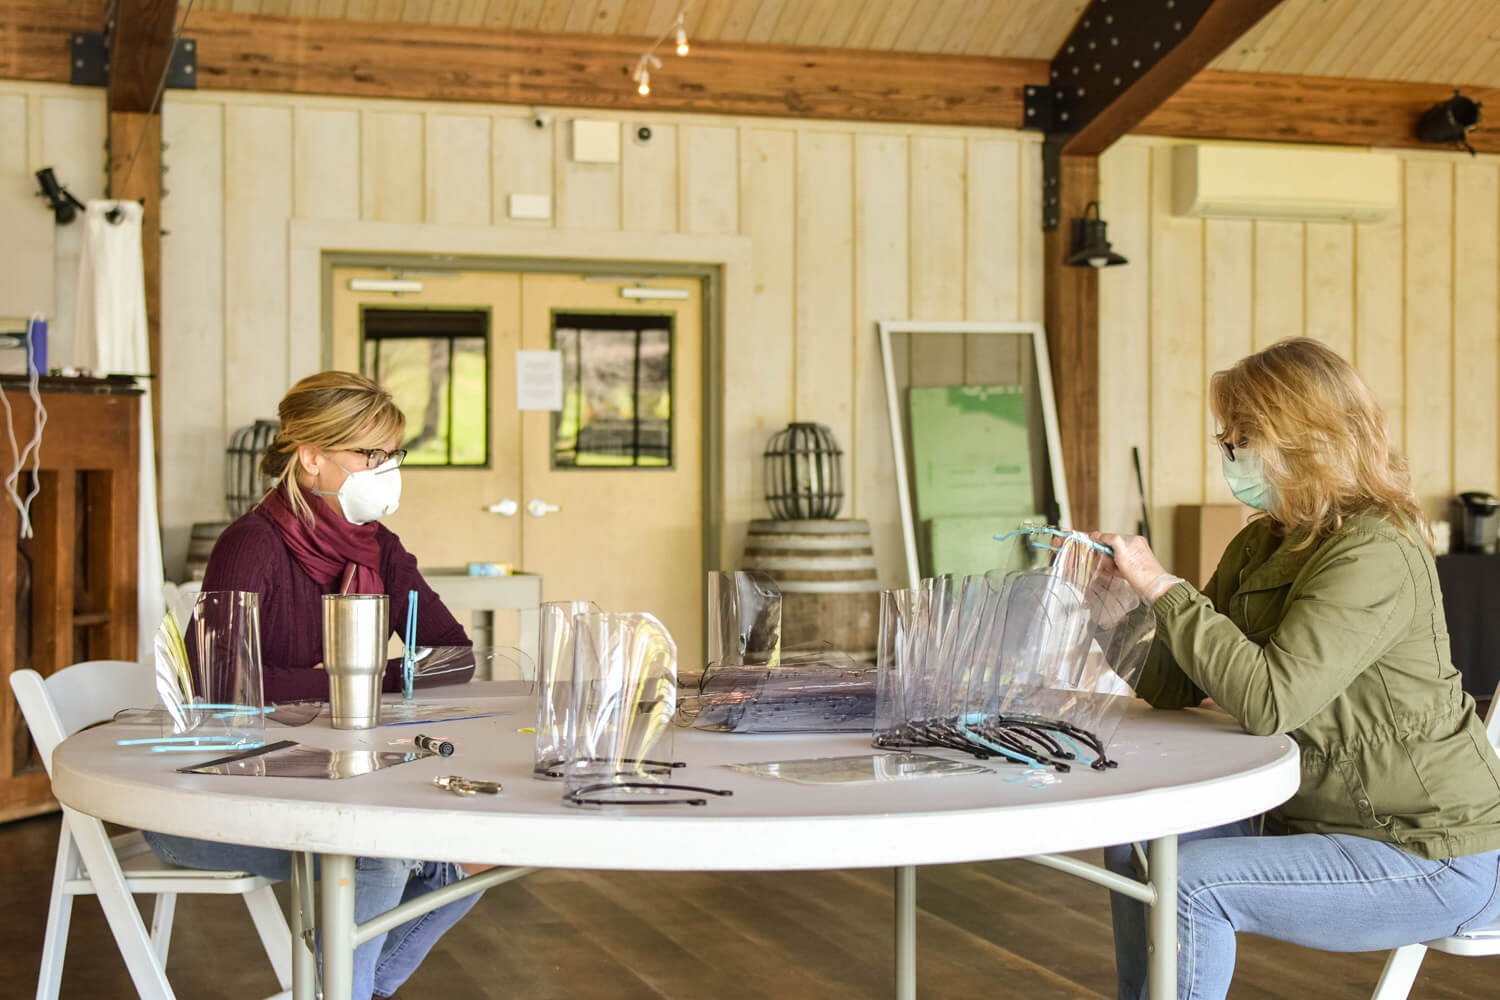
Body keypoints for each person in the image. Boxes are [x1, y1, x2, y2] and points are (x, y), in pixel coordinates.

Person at [1090, 338, 1500, 1000]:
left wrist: (1166, 589)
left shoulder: (1377, 551)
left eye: (1243, 438)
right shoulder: (1264, 540)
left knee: (1193, 883)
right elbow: (1174, 685)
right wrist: (1116, 609)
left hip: (1425, 846)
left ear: (1306, 441)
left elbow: (1269, 701)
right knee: (1138, 840)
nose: (1230, 455)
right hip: (1328, 821)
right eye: (1227, 439)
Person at [144, 371, 483, 1000]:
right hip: (204, 800)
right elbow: (217, 683)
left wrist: (350, 681)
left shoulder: (378, 547)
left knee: (452, 864)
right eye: (368, 454)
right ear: (311, 458)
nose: (385, 469)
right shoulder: (252, 543)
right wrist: (353, 680)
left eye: (392, 454)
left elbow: (453, 655)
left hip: (324, 780)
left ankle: (342, 994)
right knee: (378, 856)